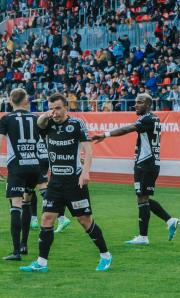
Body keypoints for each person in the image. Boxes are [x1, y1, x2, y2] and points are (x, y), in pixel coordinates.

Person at [19, 93, 112, 272]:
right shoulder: (48, 124)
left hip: (74, 181)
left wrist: (85, 172)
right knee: (46, 218)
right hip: (55, 182)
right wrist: (45, 115)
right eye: (52, 108)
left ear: (66, 108)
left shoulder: (76, 124)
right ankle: (41, 263)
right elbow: (39, 125)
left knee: (84, 220)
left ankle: (105, 255)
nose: (55, 112)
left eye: (58, 108)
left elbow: (88, 149)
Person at [92, 93, 180, 245]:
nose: (136, 105)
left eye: (140, 102)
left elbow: (128, 129)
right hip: (152, 162)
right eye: (136, 102)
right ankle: (170, 220)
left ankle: (143, 237)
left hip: (145, 163)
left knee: (142, 198)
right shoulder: (154, 118)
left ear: (147, 105)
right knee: (144, 198)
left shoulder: (146, 118)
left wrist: (105, 134)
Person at [0, 88, 42, 261]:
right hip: (34, 165)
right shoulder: (35, 118)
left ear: (10, 101)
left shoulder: (6, 119)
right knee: (28, 201)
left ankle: (16, 252)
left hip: (17, 166)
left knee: (16, 204)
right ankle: (24, 244)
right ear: (26, 101)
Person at [30, 120, 73, 232]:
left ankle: (61, 218)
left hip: (36, 160)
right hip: (44, 159)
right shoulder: (47, 130)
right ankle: (33, 219)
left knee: (41, 188)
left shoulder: (35, 130)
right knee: (30, 190)